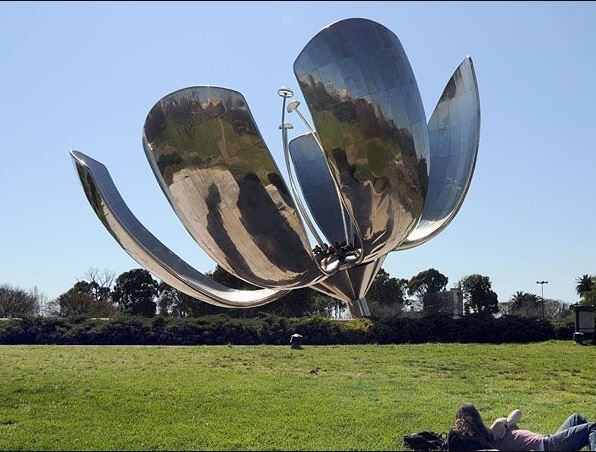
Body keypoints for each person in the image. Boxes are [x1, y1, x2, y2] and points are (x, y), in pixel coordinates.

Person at [491, 409, 596, 451]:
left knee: (576, 418)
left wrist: (506, 424)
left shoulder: (495, 430)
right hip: (546, 446)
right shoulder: (486, 443)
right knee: (591, 427)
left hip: (547, 440)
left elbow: (517, 412)